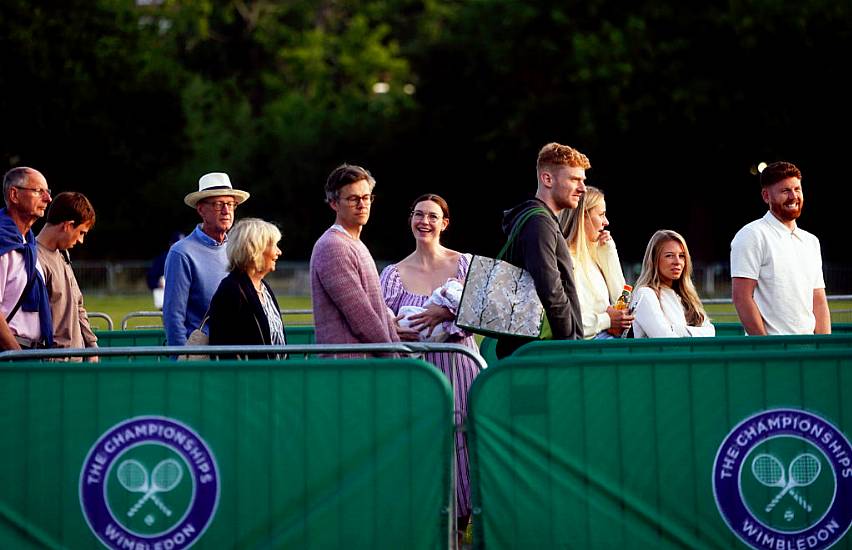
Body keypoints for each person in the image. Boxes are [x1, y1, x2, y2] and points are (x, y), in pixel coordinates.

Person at [379, 194, 479, 540]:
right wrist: (395, 330)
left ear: (444, 223)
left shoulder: (463, 264)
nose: (425, 221)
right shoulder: (393, 275)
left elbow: (481, 314)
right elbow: (380, 322)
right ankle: (431, 529)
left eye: (432, 216)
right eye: (418, 214)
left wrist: (445, 313)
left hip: (460, 367)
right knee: (428, 446)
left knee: (465, 444)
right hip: (420, 376)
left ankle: (462, 526)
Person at [495, 142, 586, 359]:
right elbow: (551, 289)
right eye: (574, 179)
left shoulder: (539, 220)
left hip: (534, 349)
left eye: (583, 181)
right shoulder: (539, 222)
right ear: (547, 179)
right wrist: (569, 342)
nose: (582, 188)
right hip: (540, 352)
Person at [730, 161, 830, 335]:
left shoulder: (811, 241)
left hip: (809, 350)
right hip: (772, 353)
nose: (793, 197)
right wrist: (765, 348)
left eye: (797, 189)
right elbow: (741, 297)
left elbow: (818, 300)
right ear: (766, 196)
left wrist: (823, 347)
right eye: (785, 191)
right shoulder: (751, 235)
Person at [310, 163, 399, 352]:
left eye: (366, 198)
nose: (362, 205)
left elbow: (378, 310)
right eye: (353, 199)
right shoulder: (333, 246)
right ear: (334, 203)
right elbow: (362, 318)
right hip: (350, 369)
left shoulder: (354, 242)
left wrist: (397, 346)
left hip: (364, 366)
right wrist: (394, 358)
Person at [163, 172, 250, 346]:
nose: (226, 211)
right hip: (201, 359)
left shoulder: (237, 247)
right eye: (218, 204)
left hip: (235, 356)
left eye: (231, 204)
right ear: (201, 209)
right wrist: (183, 359)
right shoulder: (181, 253)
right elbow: (173, 317)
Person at [562, 186, 633, 339]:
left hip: (608, 341)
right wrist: (607, 320)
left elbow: (622, 300)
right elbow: (568, 323)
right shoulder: (566, 261)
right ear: (582, 217)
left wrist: (609, 255)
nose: (606, 222)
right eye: (601, 215)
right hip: (589, 348)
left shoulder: (594, 257)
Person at [207, 218, 285, 356]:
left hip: (273, 375)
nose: (279, 252)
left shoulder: (263, 287)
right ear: (255, 249)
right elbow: (223, 347)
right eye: (274, 245)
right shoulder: (230, 290)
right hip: (247, 376)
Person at [36, 192, 99, 360]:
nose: (81, 241)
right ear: (68, 225)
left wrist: (92, 345)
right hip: (53, 367)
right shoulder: (34, 260)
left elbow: (78, 306)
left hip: (74, 363)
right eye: (81, 233)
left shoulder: (63, 256)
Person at [0, 167, 53, 350]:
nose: (48, 198)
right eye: (39, 191)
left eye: (48, 192)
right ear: (14, 195)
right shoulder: (3, 244)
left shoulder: (28, 245)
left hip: (30, 351)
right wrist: (16, 354)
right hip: (11, 354)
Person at [632, 230, 715, 338]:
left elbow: (710, 332)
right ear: (654, 259)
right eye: (669, 256)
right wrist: (692, 333)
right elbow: (664, 338)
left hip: (687, 354)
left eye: (681, 256)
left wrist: (675, 329)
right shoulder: (645, 294)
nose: (677, 262)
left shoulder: (686, 296)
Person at [147, 231, 185, 310]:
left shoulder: (189, 259)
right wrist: (157, 283)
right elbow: (151, 278)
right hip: (166, 299)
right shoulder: (162, 259)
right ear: (171, 244)